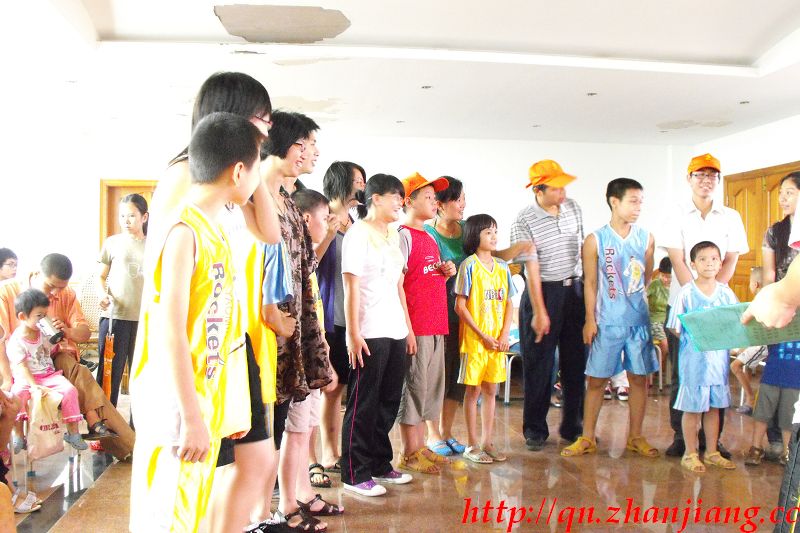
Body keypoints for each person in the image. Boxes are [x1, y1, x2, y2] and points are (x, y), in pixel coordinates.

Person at [129, 112, 263, 532]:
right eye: (257, 167)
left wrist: (225, 412)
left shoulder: (214, 230)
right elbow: (169, 331)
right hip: (180, 413)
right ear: (238, 171)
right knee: (170, 517)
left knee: (191, 514)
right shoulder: (184, 230)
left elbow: (220, 329)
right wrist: (191, 418)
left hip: (203, 407)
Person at [261, 111, 334, 532]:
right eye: (306, 144)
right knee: (261, 435)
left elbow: (302, 271)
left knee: (278, 427)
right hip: (266, 337)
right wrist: (274, 315)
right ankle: (264, 514)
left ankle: (283, 506)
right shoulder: (257, 198)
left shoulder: (287, 201)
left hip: (291, 336)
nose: (313, 152)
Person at [424, 177, 531, 457]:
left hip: (471, 319)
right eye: (457, 199)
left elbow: (491, 255)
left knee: (459, 380)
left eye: (463, 199)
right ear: (440, 204)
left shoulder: (468, 230)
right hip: (440, 312)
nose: (463, 204)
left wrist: (518, 249)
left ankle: (447, 432)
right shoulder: (428, 233)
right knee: (438, 375)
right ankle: (433, 433)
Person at [561, 178, 658, 457]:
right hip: (607, 321)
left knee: (638, 379)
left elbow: (646, 278)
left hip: (638, 321)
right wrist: (590, 320)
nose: (638, 207)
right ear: (614, 202)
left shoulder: (647, 238)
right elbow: (590, 283)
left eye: (641, 202)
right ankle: (587, 437)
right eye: (633, 201)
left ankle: (635, 436)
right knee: (596, 379)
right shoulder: (596, 240)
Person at [660, 153, 748, 459]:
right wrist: (697, 295)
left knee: (716, 373)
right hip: (684, 307)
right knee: (682, 374)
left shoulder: (731, 216)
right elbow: (677, 258)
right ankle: (681, 438)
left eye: (712, 176)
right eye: (700, 175)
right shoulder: (676, 214)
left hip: (718, 310)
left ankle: (713, 443)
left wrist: (714, 295)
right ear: (689, 179)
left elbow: (732, 259)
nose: (706, 181)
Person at [0, 254, 130, 459]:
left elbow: (84, 333)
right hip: (17, 361)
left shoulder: (66, 294)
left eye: (60, 288)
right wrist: (8, 378)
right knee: (80, 379)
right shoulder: (7, 292)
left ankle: (118, 441)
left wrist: (67, 331)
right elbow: (1, 341)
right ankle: (99, 425)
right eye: (51, 286)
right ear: (37, 274)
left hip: (52, 359)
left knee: (79, 372)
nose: (55, 293)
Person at [340, 174, 410, 496]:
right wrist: (353, 333)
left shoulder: (394, 234)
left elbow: (398, 285)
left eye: (401, 197)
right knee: (363, 402)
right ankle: (354, 473)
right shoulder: (358, 233)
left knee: (388, 401)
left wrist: (407, 328)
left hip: (395, 329)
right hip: (369, 330)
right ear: (376, 198)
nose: (400, 202)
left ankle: (380, 463)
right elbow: (351, 286)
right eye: (395, 196)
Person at [510, 160, 586, 452]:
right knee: (539, 364)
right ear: (538, 190)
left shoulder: (573, 208)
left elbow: (582, 251)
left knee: (575, 363)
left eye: (564, 187)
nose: (563, 193)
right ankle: (535, 429)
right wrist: (540, 311)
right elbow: (531, 268)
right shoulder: (524, 219)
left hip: (574, 291)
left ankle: (573, 427)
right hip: (543, 291)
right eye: (556, 188)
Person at [396, 173, 454, 474]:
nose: (435, 202)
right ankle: (408, 452)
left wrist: (446, 270)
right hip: (416, 326)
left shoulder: (429, 236)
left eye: (435, 197)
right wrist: (407, 329)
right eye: (429, 197)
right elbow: (397, 283)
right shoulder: (402, 235)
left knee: (429, 389)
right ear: (409, 201)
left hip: (436, 323)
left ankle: (420, 447)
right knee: (414, 388)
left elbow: (426, 273)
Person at [667, 241, 737, 473]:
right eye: (703, 259)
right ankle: (690, 453)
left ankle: (712, 452)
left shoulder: (726, 294)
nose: (709, 263)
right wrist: (697, 339)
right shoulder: (686, 293)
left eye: (714, 258)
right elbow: (675, 327)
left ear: (721, 263)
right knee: (692, 408)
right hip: (694, 363)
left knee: (714, 408)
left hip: (718, 363)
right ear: (693, 264)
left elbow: (734, 323)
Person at [315, 161, 366, 472]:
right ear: (341, 182)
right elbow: (307, 263)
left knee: (342, 388)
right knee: (330, 389)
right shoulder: (322, 217)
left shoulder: (358, 225)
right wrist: (328, 234)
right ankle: (327, 453)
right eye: (358, 180)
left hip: (354, 320)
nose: (363, 187)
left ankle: (337, 450)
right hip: (329, 317)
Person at [454, 214, 515, 464]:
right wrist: (483, 336)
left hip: (497, 343)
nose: (493, 236)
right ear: (474, 235)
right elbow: (460, 306)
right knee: (473, 390)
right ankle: (471, 444)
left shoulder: (502, 267)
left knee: (491, 390)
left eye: (495, 231)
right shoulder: (468, 266)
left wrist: (504, 334)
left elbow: (509, 303)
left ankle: (487, 442)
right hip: (475, 342)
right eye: (488, 232)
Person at [8, 288, 88, 451]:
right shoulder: (17, 340)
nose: (42, 320)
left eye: (45, 315)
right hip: (26, 378)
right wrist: (33, 386)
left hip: (48, 375)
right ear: (23, 317)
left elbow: (52, 349)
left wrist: (60, 338)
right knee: (17, 395)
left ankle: (73, 433)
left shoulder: (43, 333)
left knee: (70, 391)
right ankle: (18, 435)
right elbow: (21, 367)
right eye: (39, 316)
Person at [95, 194, 147, 407]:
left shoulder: (155, 244)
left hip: (145, 320)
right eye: (122, 216)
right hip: (115, 316)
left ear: (144, 217)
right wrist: (102, 295)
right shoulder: (112, 243)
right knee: (109, 373)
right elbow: (100, 276)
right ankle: (104, 420)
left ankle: (139, 423)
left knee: (142, 375)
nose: (126, 220)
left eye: (132, 216)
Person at [730, 268, 767, 415]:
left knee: (735, 366)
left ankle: (751, 399)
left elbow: (749, 326)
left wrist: (744, 347)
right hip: (755, 342)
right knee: (741, 357)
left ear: (756, 284)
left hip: (762, 344)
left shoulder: (759, 302)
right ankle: (749, 399)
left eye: (750, 282)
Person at [647, 256, 671, 368]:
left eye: (669, 277)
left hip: (669, 321)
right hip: (655, 321)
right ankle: (658, 369)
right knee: (665, 344)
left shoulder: (675, 288)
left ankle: (666, 370)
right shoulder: (655, 284)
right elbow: (644, 297)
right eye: (663, 275)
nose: (665, 279)